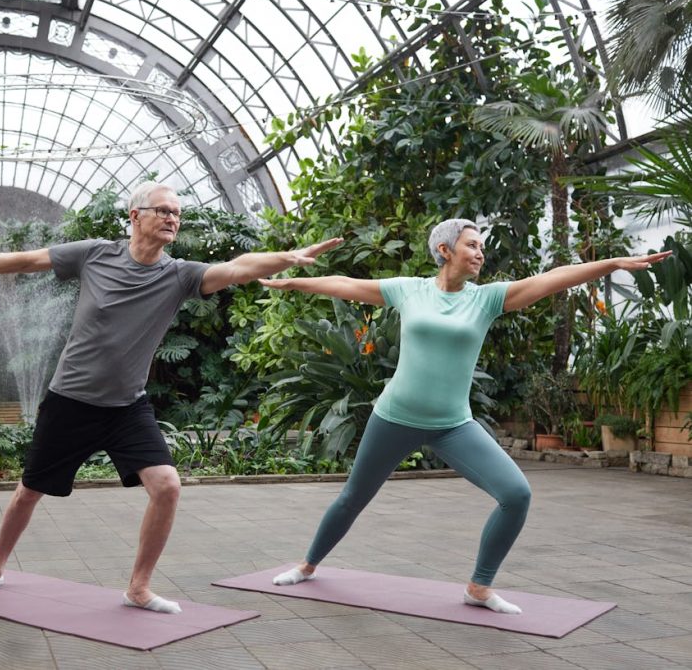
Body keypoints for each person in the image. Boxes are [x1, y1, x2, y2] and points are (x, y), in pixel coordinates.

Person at [0, 181, 342, 614]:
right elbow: (28, 260)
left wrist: (288, 257)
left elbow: (237, 268)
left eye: (177, 213)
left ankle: (138, 588)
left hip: (127, 407)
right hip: (70, 402)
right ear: (135, 215)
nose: (172, 218)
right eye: (163, 210)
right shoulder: (95, 254)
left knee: (167, 486)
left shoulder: (180, 275)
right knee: (28, 492)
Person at [261, 219, 671, 614]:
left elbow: (553, 278)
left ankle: (479, 586)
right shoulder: (409, 290)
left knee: (516, 494)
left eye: (481, 246)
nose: (480, 253)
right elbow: (345, 285)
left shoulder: (486, 299)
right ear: (444, 250)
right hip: (394, 418)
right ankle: (307, 565)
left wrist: (612, 263)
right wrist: (293, 281)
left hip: (452, 425)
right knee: (353, 498)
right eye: (472, 245)